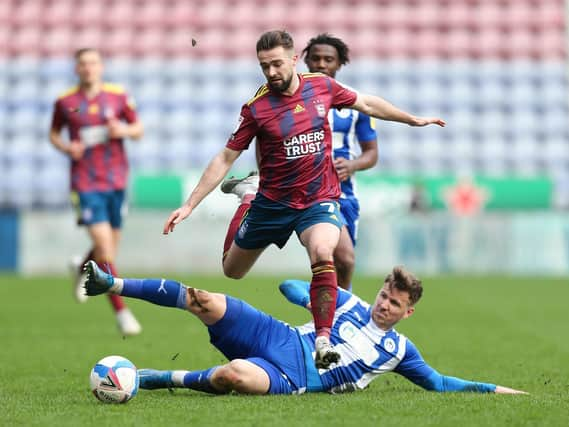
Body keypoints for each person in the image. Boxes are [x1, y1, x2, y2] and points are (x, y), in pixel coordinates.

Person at [162, 30, 445, 368]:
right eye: (264, 66)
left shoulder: (321, 87)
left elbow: (366, 102)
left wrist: (412, 119)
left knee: (325, 251)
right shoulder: (257, 108)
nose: (271, 73)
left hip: (316, 199)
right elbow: (225, 157)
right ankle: (247, 195)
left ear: (294, 59)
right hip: (271, 203)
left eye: (277, 64)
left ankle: (324, 340)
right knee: (232, 271)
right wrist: (191, 204)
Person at [83, 260, 526, 396]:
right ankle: (111, 283)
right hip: (278, 335)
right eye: (385, 296)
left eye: (396, 305)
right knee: (204, 298)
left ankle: (159, 378)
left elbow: (440, 383)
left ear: (408, 312)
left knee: (233, 374)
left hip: (294, 378)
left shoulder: (398, 350)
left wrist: (496, 391)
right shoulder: (348, 301)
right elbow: (289, 285)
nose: (385, 306)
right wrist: (317, 298)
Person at [49, 47, 144, 336]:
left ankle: (81, 267)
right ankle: (122, 312)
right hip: (85, 182)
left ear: (101, 67)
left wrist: (123, 131)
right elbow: (54, 134)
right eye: (83, 64)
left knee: (108, 249)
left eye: (93, 63)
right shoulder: (65, 102)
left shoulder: (118, 96)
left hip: (116, 180)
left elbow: (138, 129)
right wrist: (67, 147)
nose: (89, 68)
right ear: (77, 69)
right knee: (104, 248)